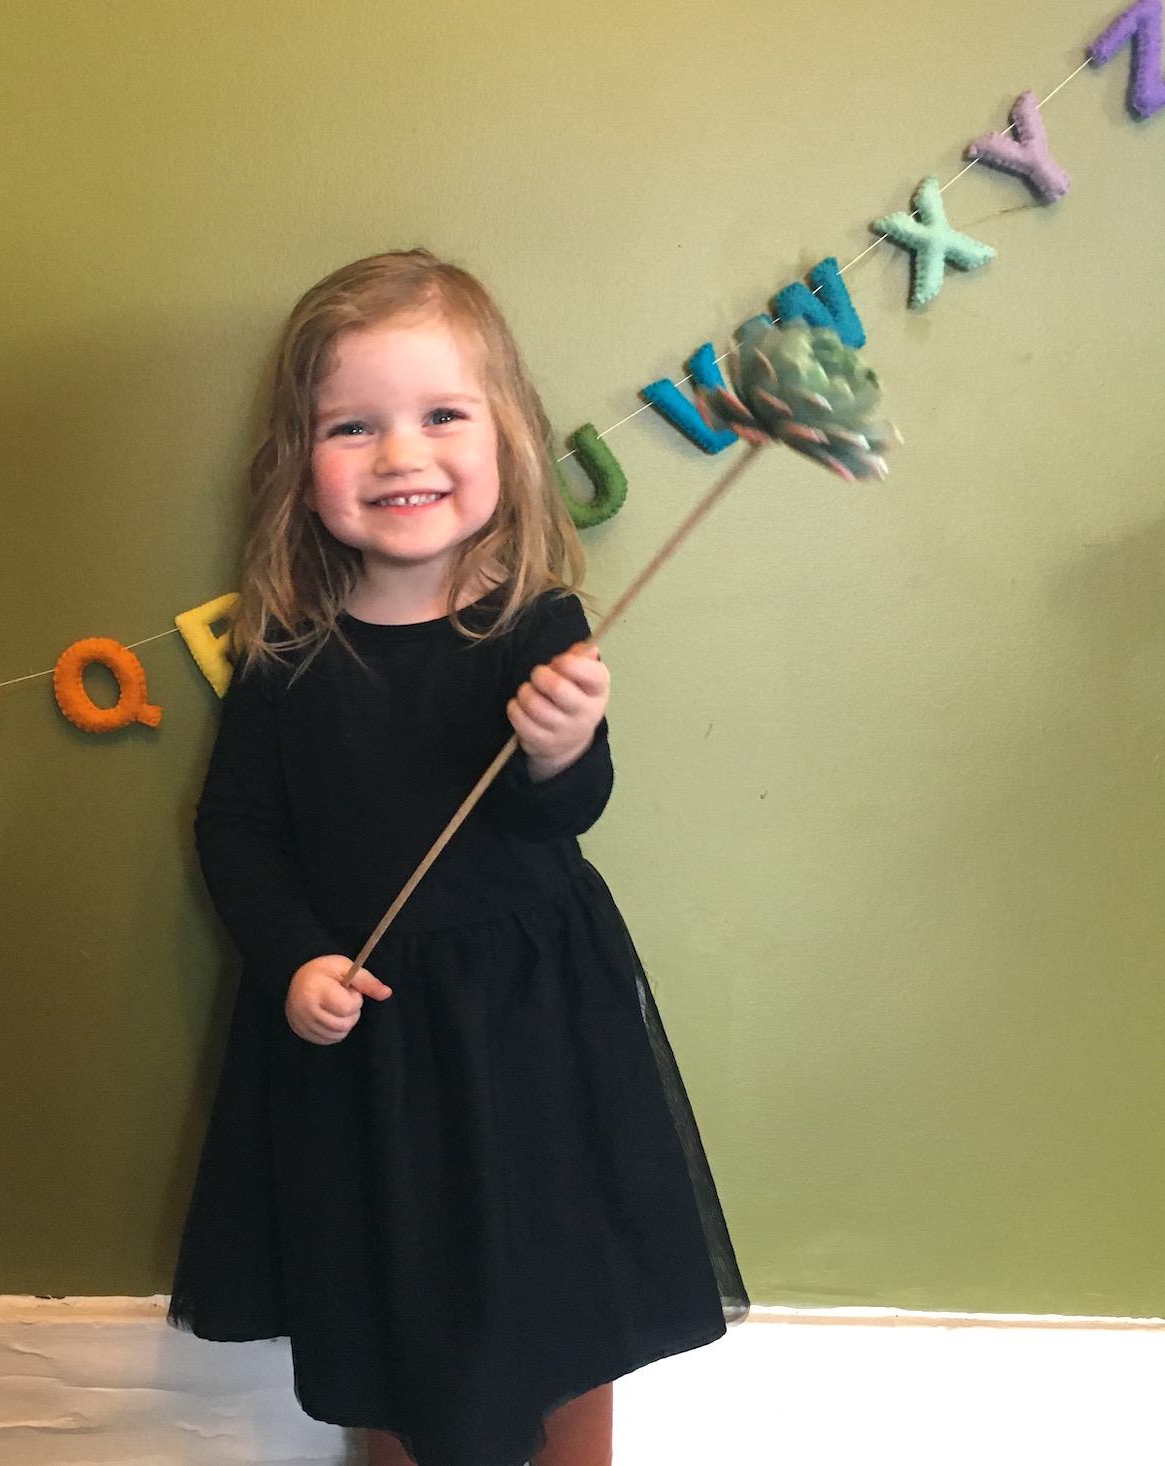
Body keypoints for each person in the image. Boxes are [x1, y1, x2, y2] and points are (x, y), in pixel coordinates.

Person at [169, 249, 746, 1466]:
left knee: (565, 1301)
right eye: (351, 425)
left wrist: (559, 747)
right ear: (298, 460)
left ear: (509, 438)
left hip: (533, 1029)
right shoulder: (284, 646)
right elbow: (235, 826)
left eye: (441, 415)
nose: (400, 454)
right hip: (363, 1041)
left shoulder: (533, 618)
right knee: (391, 1307)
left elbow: (568, 810)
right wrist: (292, 962)